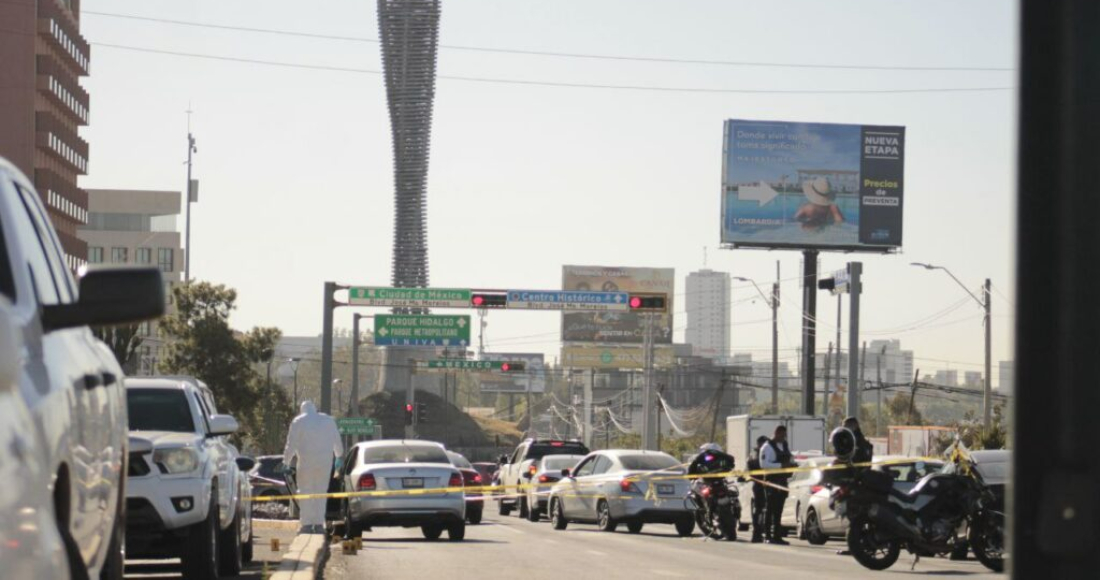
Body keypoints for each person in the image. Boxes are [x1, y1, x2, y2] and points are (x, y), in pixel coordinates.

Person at [283, 401, 343, 533]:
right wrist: (339, 457)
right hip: (325, 463)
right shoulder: (328, 420)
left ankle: (306, 525)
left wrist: (286, 462)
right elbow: (337, 441)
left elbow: (291, 444)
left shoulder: (298, 421)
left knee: (305, 492)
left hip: (305, 463)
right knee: (321, 493)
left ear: (302, 410)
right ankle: (319, 524)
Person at [760, 425, 795, 545]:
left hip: (783, 481)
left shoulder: (784, 445)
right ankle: (768, 535)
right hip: (772, 481)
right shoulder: (767, 447)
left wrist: (792, 464)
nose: (784, 437)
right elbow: (764, 464)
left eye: (785, 435)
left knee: (779, 510)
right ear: (776, 433)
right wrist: (781, 466)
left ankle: (777, 535)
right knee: (770, 509)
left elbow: (788, 458)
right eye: (782, 435)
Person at [746, 435, 770, 543]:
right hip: (759, 485)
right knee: (758, 510)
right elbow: (751, 466)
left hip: (768, 484)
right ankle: (757, 533)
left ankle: (766, 532)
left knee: (767, 509)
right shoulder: (754, 454)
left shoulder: (765, 453)